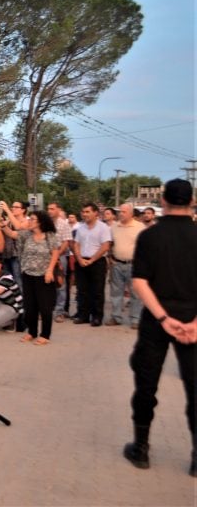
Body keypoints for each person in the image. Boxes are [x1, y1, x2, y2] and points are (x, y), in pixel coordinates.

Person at [124, 179, 197, 477]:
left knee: (146, 384)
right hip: (193, 323)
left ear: (163, 202)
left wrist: (165, 319)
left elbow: (139, 281)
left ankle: (141, 449)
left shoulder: (150, 236)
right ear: (192, 202)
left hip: (157, 320)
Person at [10, 211, 60, 344]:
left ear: (40, 222)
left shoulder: (49, 236)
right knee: (30, 306)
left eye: (32, 219)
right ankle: (32, 332)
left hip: (44, 276)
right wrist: (3, 224)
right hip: (28, 274)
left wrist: (50, 270)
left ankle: (45, 334)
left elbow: (55, 252)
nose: (29, 221)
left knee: (45, 307)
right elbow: (12, 234)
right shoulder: (27, 235)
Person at [72, 203, 112, 326]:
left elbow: (105, 246)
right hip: (81, 261)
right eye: (83, 212)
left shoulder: (103, 227)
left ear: (96, 213)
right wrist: (79, 258)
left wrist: (92, 259)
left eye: (88, 211)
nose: (85, 214)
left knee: (97, 291)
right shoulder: (81, 228)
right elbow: (76, 244)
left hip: (97, 262)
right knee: (82, 290)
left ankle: (97, 317)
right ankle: (83, 315)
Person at [107, 203, 145, 327]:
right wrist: (110, 257)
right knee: (115, 292)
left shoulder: (140, 227)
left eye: (124, 212)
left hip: (134, 265)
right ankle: (116, 317)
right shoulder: (114, 227)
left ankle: (135, 319)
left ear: (131, 213)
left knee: (135, 293)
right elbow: (109, 244)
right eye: (120, 212)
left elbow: (147, 246)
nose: (120, 214)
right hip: (117, 264)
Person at [47, 202, 72, 322]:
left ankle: (60, 311)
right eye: (48, 209)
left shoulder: (64, 224)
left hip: (60, 257)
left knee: (60, 284)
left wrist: (57, 255)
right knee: (47, 284)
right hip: (46, 257)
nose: (49, 211)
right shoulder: (45, 223)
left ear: (58, 210)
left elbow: (66, 242)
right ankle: (46, 310)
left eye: (52, 209)